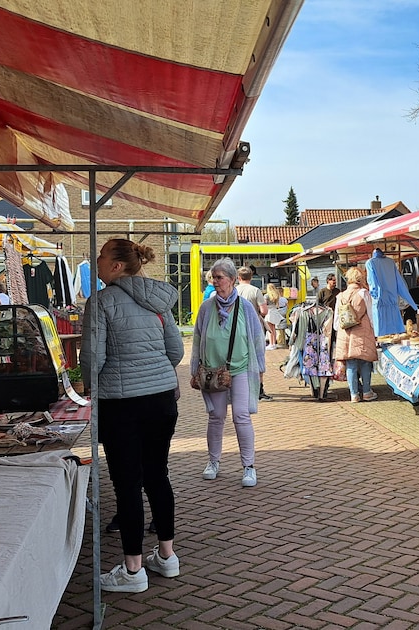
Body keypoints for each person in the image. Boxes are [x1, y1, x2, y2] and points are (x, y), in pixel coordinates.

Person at [80, 238, 184, 594]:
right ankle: (167, 557)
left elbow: (94, 360)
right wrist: (154, 372)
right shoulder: (159, 299)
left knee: (127, 482)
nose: (97, 260)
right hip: (162, 400)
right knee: (157, 474)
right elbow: (175, 349)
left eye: (103, 255)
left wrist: (88, 385)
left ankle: (133, 569)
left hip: (122, 403)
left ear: (117, 266)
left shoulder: (101, 301)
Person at [192, 257, 267, 488]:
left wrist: (260, 369)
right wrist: (195, 369)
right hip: (213, 372)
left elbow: (257, 339)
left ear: (233, 280)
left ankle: (249, 466)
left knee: (241, 416)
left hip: (241, 368)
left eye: (219, 277)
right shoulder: (206, 308)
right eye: (213, 277)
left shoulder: (245, 307)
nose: (215, 282)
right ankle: (213, 462)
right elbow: (197, 339)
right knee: (216, 416)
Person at [334, 267, 379, 402]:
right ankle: (366, 392)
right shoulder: (363, 293)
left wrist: (340, 331)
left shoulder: (340, 296)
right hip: (362, 331)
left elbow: (336, 321)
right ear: (360, 279)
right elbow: (371, 315)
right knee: (365, 362)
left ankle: (354, 395)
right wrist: (374, 331)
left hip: (345, 332)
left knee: (351, 363)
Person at [235, 266, 272, 401]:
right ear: (251, 277)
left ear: (238, 278)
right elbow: (264, 311)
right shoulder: (256, 291)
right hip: (254, 327)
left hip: (238, 328)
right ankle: (259, 389)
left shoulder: (234, 291)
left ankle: (241, 389)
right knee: (258, 356)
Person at [263, 283, 289, 349]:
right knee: (274, 329)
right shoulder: (276, 295)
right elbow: (277, 305)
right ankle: (274, 343)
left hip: (269, 312)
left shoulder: (266, 296)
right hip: (275, 311)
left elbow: (264, 304)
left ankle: (271, 344)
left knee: (269, 329)